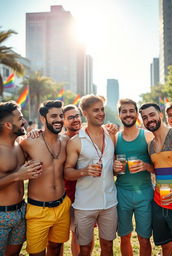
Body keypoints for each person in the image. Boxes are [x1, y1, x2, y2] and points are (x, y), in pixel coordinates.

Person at [64, 95, 117, 256]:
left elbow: (113, 168)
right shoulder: (76, 141)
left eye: (102, 109)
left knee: (108, 246)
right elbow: (67, 172)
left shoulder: (111, 135)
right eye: (96, 110)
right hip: (84, 205)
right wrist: (84, 171)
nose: (101, 113)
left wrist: (117, 167)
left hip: (110, 203)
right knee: (85, 249)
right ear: (85, 113)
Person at [139, 103, 172, 256]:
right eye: (145, 117)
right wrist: (147, 167)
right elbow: (159, 169)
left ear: (160, 115)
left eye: (152, 115)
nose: (149, 119)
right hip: (158, 204)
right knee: (165, 247)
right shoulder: (150, 145)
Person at [20, 100, 71, 256]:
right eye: (53, 116)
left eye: (61, 116)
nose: (58, 119)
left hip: (62, 205)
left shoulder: (66, 141)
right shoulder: (28, 142)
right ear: (43, 119)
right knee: (37, 253)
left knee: (56, 247)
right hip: (38, 209)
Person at [0, 101, 42, 255]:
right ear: (8, 125)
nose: (24, 121)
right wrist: (17, 175)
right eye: (20, 119)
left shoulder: (20, 145)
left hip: (20, 212)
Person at [113, 98, 154, 256]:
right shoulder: (115, 138)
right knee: (124, 237)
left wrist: (145, 166)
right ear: (119, 115)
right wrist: (114, 168)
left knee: (144, 239)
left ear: (137, 114)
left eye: (131, 111)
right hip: (121, 193)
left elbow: (158, 168)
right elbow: (112, 170)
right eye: (124, 111)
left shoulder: (147, 136)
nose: (128, 114)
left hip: (144, 193)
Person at [63, 104, 83, 256]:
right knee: (58, 238)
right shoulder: (60, 140)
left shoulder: (87, 136)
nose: (75, 119)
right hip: (63, 195)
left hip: (84, 194)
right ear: (63, 121)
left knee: (79, 235)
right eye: (70, 117)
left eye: (77, 116)